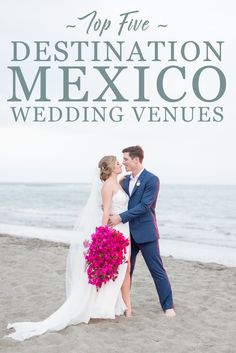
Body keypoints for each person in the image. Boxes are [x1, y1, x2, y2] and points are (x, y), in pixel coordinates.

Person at [5, 156, 131, 341]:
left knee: (119, 270)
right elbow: (105, 211)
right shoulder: (106, 186)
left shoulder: (118, 183)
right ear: (112, 167)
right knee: (114, 270)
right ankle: (101, 307)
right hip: (113, 231)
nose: (121, 164)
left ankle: (112, 305)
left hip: (123, 230)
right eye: (118, 163)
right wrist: (103, 233)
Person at [108, 146, 176, 317]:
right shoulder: (124, 181)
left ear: (136, 160)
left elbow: (145, 206)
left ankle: (168, 306)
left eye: (125, 159)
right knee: (125, 271)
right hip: (127, 234)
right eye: (122, 160)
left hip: (146, 234)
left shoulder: (152, 180)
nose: (123, 162)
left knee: (157, 270)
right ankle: (124, 306)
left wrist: (120, 217)